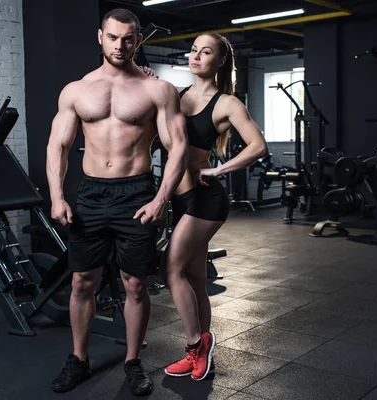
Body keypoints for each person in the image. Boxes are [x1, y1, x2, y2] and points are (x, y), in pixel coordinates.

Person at [46, 9, 188, 396]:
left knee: (136, 285)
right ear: (100, 37)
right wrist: (57, 196)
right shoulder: (76, 90)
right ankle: (78, 359)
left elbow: (177, 147)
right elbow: (58, 145)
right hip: (90, 194)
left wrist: (161, 198)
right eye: (113, 37)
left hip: (137, 193)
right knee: (81, 281)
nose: (120, 45)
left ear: (138, 40)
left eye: (128, 38)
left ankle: (132, 363)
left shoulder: (157, 90)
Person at [144, 33, 267, 381]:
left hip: (205, 201)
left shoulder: (226, 103)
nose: (196, 56)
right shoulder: (178, 96)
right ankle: (203, 353)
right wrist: (152, 88)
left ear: (220, 61)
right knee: (195, 278)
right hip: (182, 200)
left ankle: (195, 346)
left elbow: (258, 145)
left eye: (206, 51)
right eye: (194, 50)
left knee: (170, 270)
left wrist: (217, 169)